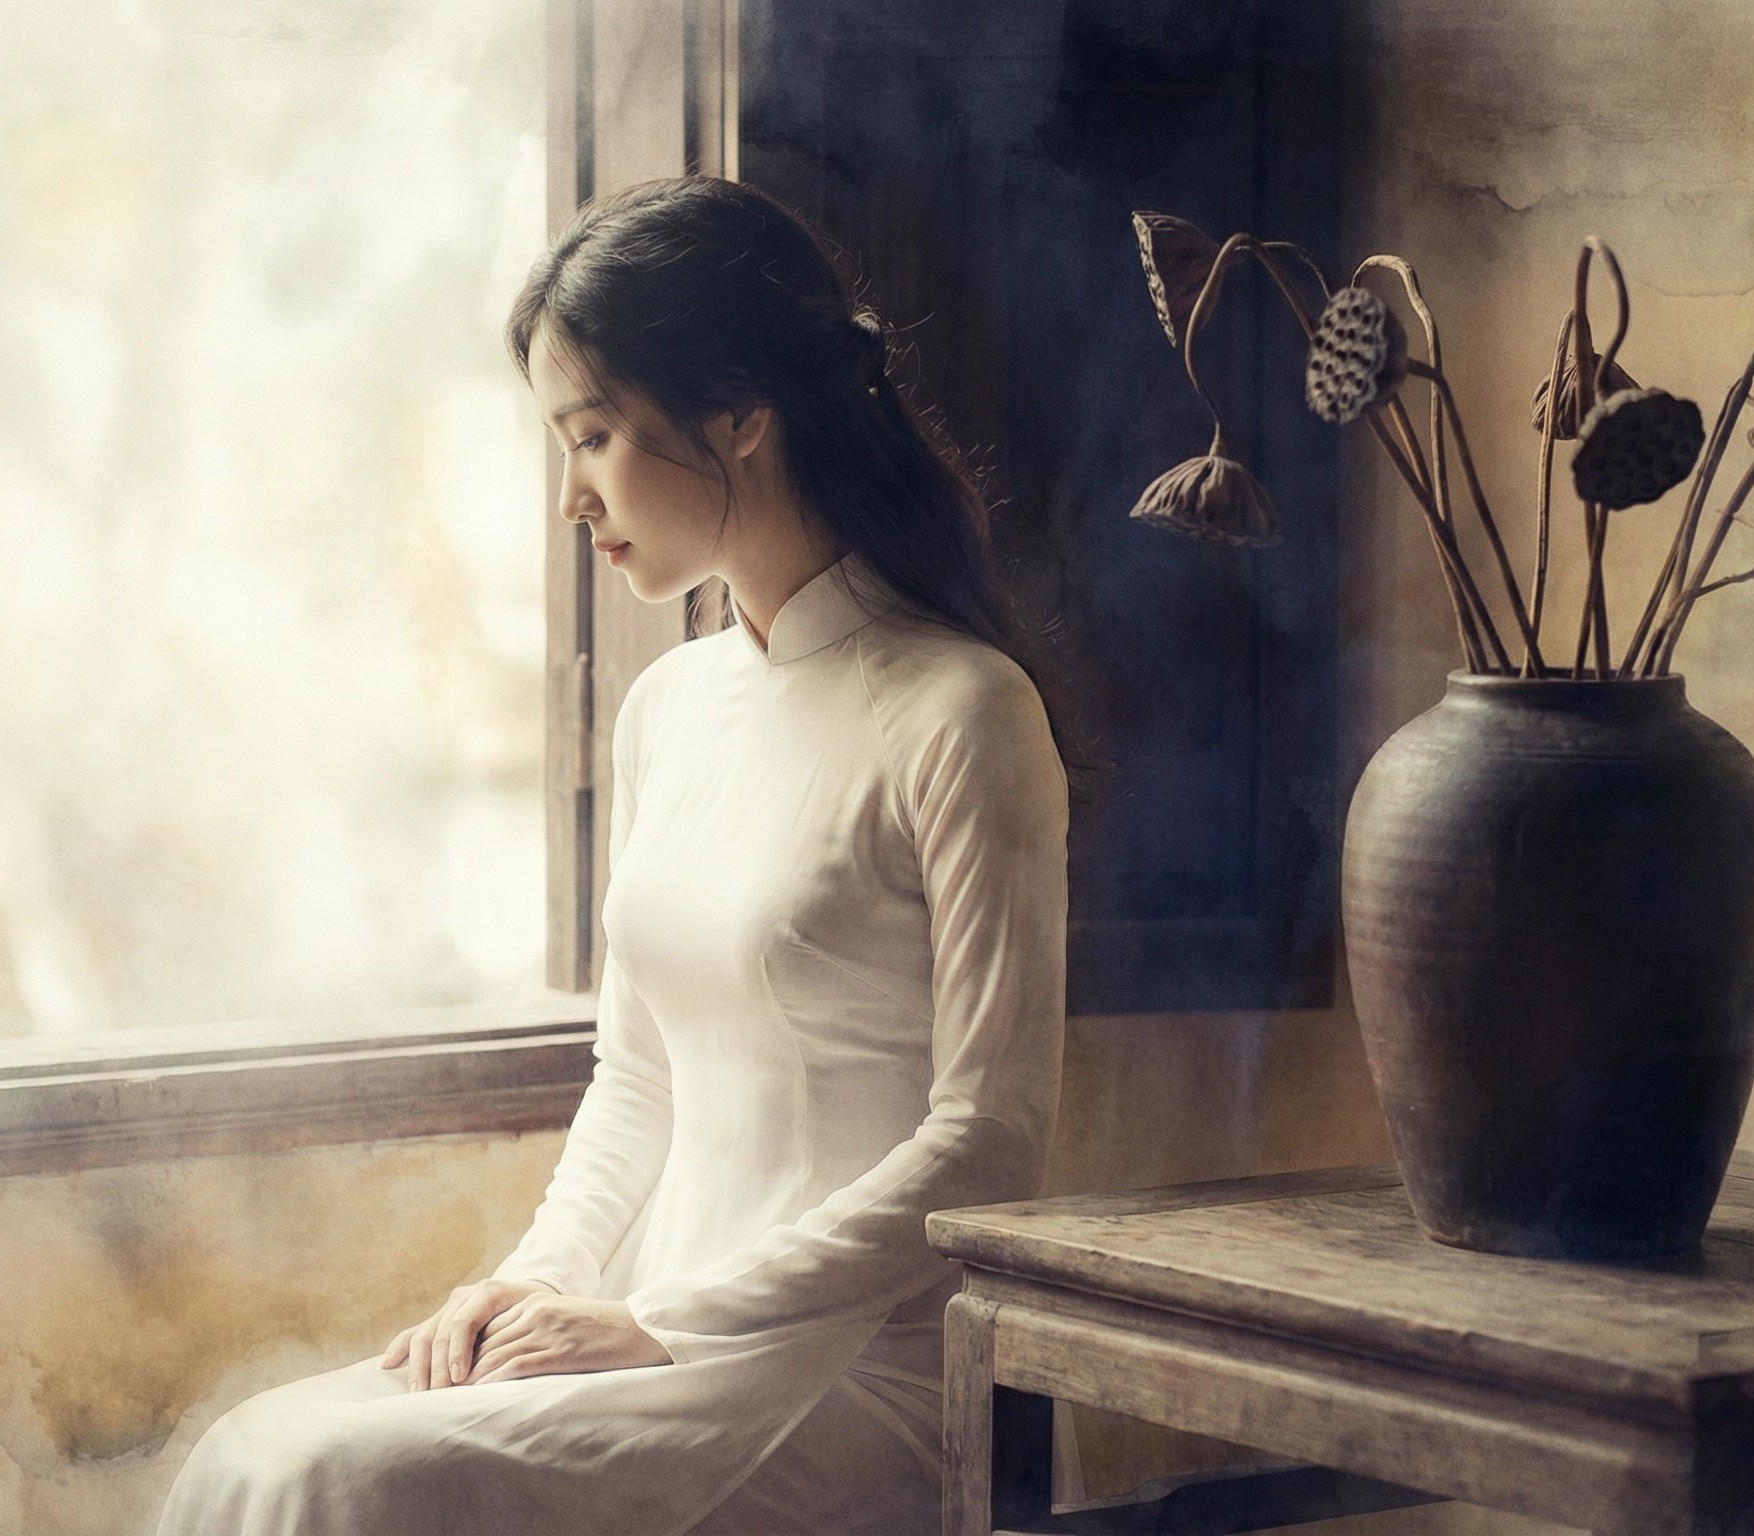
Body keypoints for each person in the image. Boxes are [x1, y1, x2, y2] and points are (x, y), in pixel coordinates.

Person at [152, 175, 1070, 1535]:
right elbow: (636, 1084)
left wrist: (651, 1320)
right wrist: (529, 1288)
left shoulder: (962, 713)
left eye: (592, 437)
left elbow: (987, 1143)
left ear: (740, 415)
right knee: (256, 1449)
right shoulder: (672, 708)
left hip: (850, 1366)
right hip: (637, 1325)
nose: (573, 499)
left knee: (342, 1482)